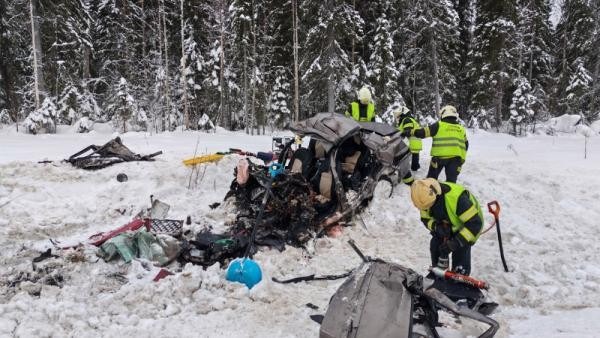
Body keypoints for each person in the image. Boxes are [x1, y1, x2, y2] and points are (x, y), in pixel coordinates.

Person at [410, 178, 483, 276]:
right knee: (436, 245)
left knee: (460, 251)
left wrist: (455, 242)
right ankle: (438, 273)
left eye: (430, 205)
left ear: (437, 195)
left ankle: (460, 277)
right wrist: (436, 227)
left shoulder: (458, 199)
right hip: (445, 227)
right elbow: (425, 219)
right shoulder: (424, 199)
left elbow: (475, 224)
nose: (428, 209)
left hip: (467, 227)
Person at [402, 105, 468, 183]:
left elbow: (422, 133)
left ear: (443, 114)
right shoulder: (461, 129)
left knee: (431, 180)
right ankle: (449, 194)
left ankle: (428, 193)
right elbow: (466, 145)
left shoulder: (439, 125)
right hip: (456, 160)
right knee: (451, 182)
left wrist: (410, 131)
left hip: (439, 159)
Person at [394, 106, 422, 171]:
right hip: (415, 142)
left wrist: (400, 134)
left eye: (399, 115)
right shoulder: (410, 119)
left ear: (403, 113)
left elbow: (408, 131)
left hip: (411, 142)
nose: (398, 117)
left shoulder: (407, 119)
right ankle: (415, 168)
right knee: (415, 158)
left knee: (400, 156)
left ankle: (401, 169)